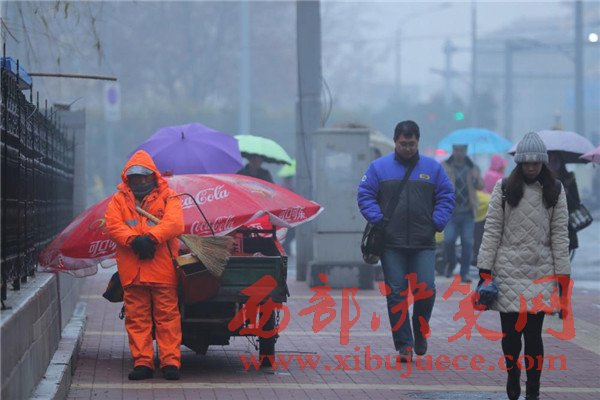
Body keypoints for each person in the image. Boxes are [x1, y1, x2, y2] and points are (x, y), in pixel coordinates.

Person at [476, 132, 570, 400]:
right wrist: (485, 270)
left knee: (533, 335)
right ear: (519, 163)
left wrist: (563, 276)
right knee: (510, 336)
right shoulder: (505, 187)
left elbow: (559, 234)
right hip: (507, 271)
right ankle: (512, 373)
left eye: (535, 163)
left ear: (543, 163)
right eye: (526, 162)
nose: (530, 167)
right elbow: (492, 229)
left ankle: (534, 389)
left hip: (541, 271)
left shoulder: (555, 190)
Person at [357, 120, 454, 361]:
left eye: (411, 144)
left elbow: (446, 195)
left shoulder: (433, 169)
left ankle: (420, 331)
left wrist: (437, 221)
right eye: (403, 144)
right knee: (396, 294)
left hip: (424, 242)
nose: (408, 148)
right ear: (395, 142)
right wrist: (378, 219)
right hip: (391, 243)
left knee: (426, 289)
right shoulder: (379, 168)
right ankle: (404, 345)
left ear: (418, 142)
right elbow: (365, 194)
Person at [105, 150, 185, 381]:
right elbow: (113, 225)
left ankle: (170, 362)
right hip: (134, 271)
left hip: (160, 270)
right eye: (135, 177)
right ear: (128, 178)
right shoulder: (119, 200)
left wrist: (149, 239)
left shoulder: (169, 197)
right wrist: (134, 240)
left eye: (143, 176)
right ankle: (142, 362)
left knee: (167, 318)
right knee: (137, 319)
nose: (139, 181)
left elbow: (174, 223)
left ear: (152, 176)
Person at [442, 144, 484, 282]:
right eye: (456, 150)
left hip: (468, 212)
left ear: (466, 151)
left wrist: (476, 178)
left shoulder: (473, 167)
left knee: (467, 243)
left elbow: (480, 186)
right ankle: (451, 262)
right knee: (448, 241)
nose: (459, 153)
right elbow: (438, 184)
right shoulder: (445, 166)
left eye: (462, 150)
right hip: (451, 211)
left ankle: (464, 273)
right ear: (453, 150)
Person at [548, 151, 581, 257]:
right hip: (546, 230)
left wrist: (567, 194)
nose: (552, 164)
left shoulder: (569, 180)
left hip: (566, 229)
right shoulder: (542, 181)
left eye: (555, 160)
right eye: (550, 160)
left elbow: (576, 205)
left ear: (561, 162)